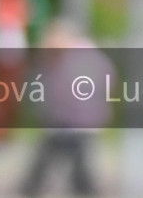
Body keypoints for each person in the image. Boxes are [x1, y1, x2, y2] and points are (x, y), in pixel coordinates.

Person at [19, 18, 113, 197]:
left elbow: (90, 87)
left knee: (76, 156)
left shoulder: (82, 57)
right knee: (53, 153)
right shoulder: (55, 56)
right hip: (64, 117)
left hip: (81, 118)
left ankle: (81, 188)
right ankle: (34, 186)